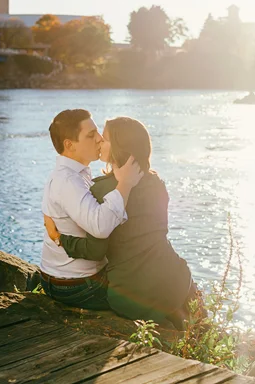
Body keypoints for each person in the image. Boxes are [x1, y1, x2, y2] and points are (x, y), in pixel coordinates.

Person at [44, 116, 194, 327]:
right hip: (176, 282)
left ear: (119, 148)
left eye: (104, 139)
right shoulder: (157, 182)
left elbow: (95, 250)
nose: (98, 141)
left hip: (131, 297)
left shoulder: (100, 190)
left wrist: (59, 238)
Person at [40, 109, 144, 309]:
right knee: (147, 288)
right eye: (90, 135)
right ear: (69, 145)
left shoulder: (72, 174)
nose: (99, 139)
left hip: (67, 279)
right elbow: (100, 226)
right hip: (77, 286)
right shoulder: (68, 181)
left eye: (97, 132)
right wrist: (126, 183)